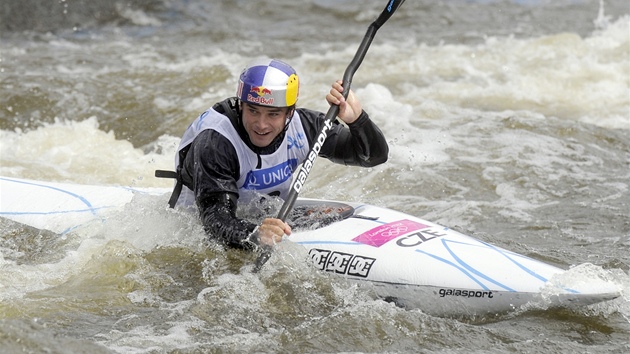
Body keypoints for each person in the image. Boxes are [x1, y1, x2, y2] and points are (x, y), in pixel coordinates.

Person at [157, 58, 388, 250]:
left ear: (289, 112)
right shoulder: (216, 141)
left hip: (263, 214)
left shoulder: (305, 126)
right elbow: (215, 220)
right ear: (241, 106)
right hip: (194, 229)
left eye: (273, 114)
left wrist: (357, 119)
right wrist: (256, 235)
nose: (261, 124)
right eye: (253, 111)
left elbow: (373, 157)